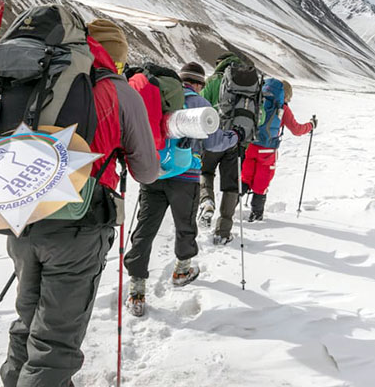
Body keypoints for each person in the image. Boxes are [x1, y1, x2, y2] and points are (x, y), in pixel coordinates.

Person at [0, 17, 159, 387]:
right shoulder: (120, 92)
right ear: (117, 58)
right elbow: (147, 172)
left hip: (22, 215)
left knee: (29, 323)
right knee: (55, 343)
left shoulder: (47, 79)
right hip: (78, 225)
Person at [124, 61, 239, 316]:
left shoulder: (160, 97)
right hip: (186, 176)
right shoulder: (200, 104)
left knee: (145, 228)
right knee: (185, 224)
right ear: (200, 84)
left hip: (153, 172)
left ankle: (136, 289)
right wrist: (236, 137)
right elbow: (216, 142)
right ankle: (182, 269)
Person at [240, 79, 314, 222]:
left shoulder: (258, 102)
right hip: (267, 152)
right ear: (285, 96)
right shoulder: (282, 108)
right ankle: (256, 216)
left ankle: (228, 212)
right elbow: (297, 130)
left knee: (244, 179)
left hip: (250, 147)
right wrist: (310, 125)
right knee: (261, 183)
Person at [198, 52, 252, 245]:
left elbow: (200, 109)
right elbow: (258, 118)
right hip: (237, 142)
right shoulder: (249, 84)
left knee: (206, 171)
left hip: (213, 138)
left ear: (220, 64)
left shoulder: (212, 81)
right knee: (231, 186)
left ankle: (207, 201)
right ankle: (223, 231)